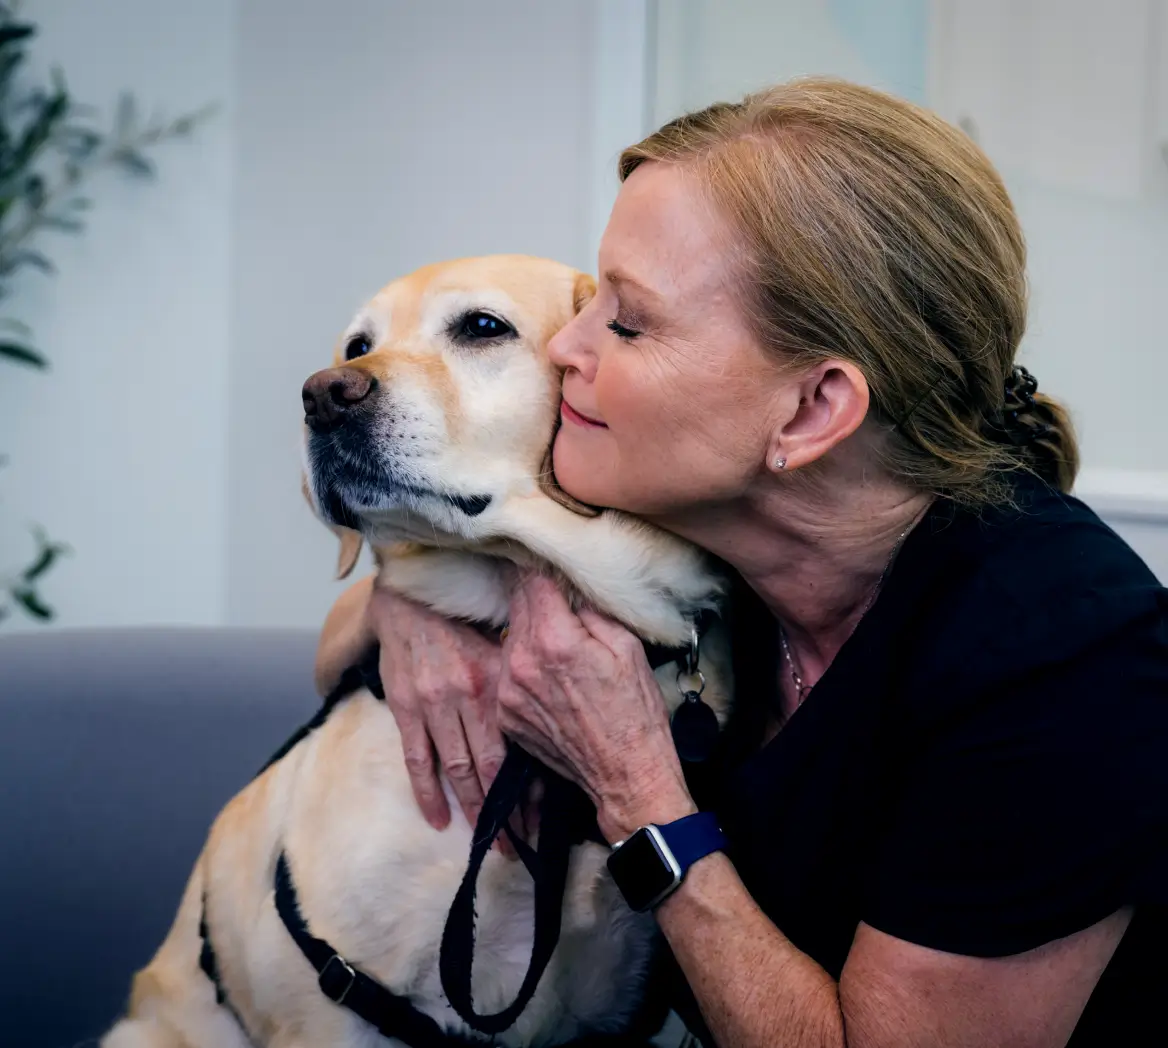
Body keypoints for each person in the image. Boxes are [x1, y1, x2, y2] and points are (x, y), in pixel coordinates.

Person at [315, 78, 1167, 1047]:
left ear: (810, 414)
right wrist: (407, 613)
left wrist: (639, 791)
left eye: (625, 323)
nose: (564, 344)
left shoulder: (1062, 656)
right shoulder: (707, 545)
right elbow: (337, 637)